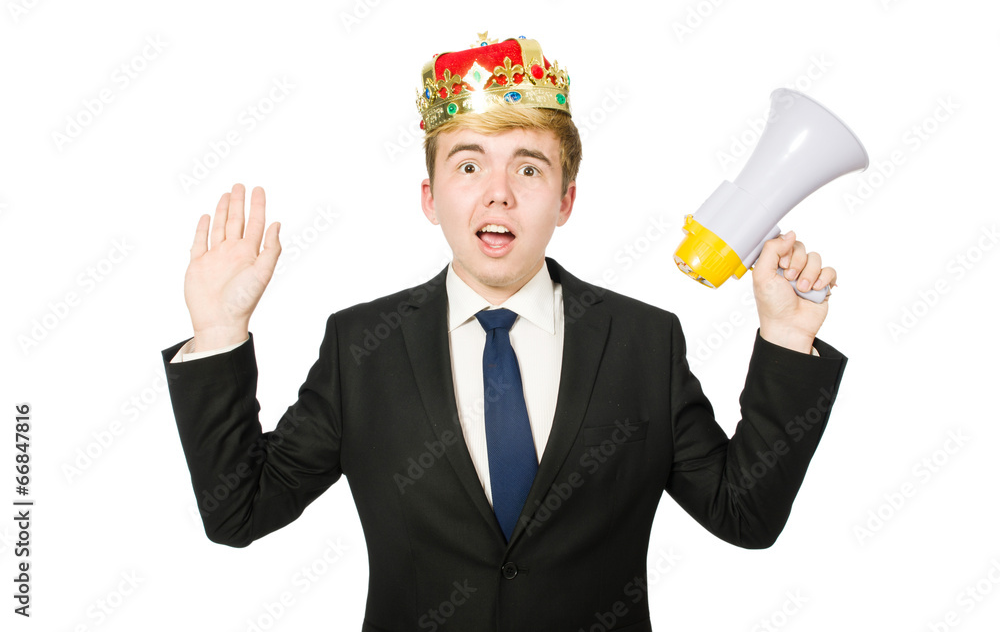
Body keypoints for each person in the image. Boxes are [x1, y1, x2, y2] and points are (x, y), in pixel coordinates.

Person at [163, 32, 847, 631]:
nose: (498, 192)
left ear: (565, 199)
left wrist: (785, 338)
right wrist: (219, 333)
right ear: (430, 198)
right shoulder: (360, 348)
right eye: (468, 165)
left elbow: (744, 515)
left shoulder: (644, 342)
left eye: (528, 167)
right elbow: (239, 513)